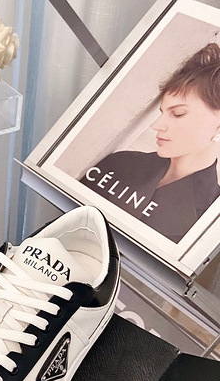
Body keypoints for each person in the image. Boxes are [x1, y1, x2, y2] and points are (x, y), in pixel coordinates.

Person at [80, 42, 220, 243]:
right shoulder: (119, 163)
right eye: (163, 112)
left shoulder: (211, 222)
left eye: (178, 114)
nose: (157, 125)